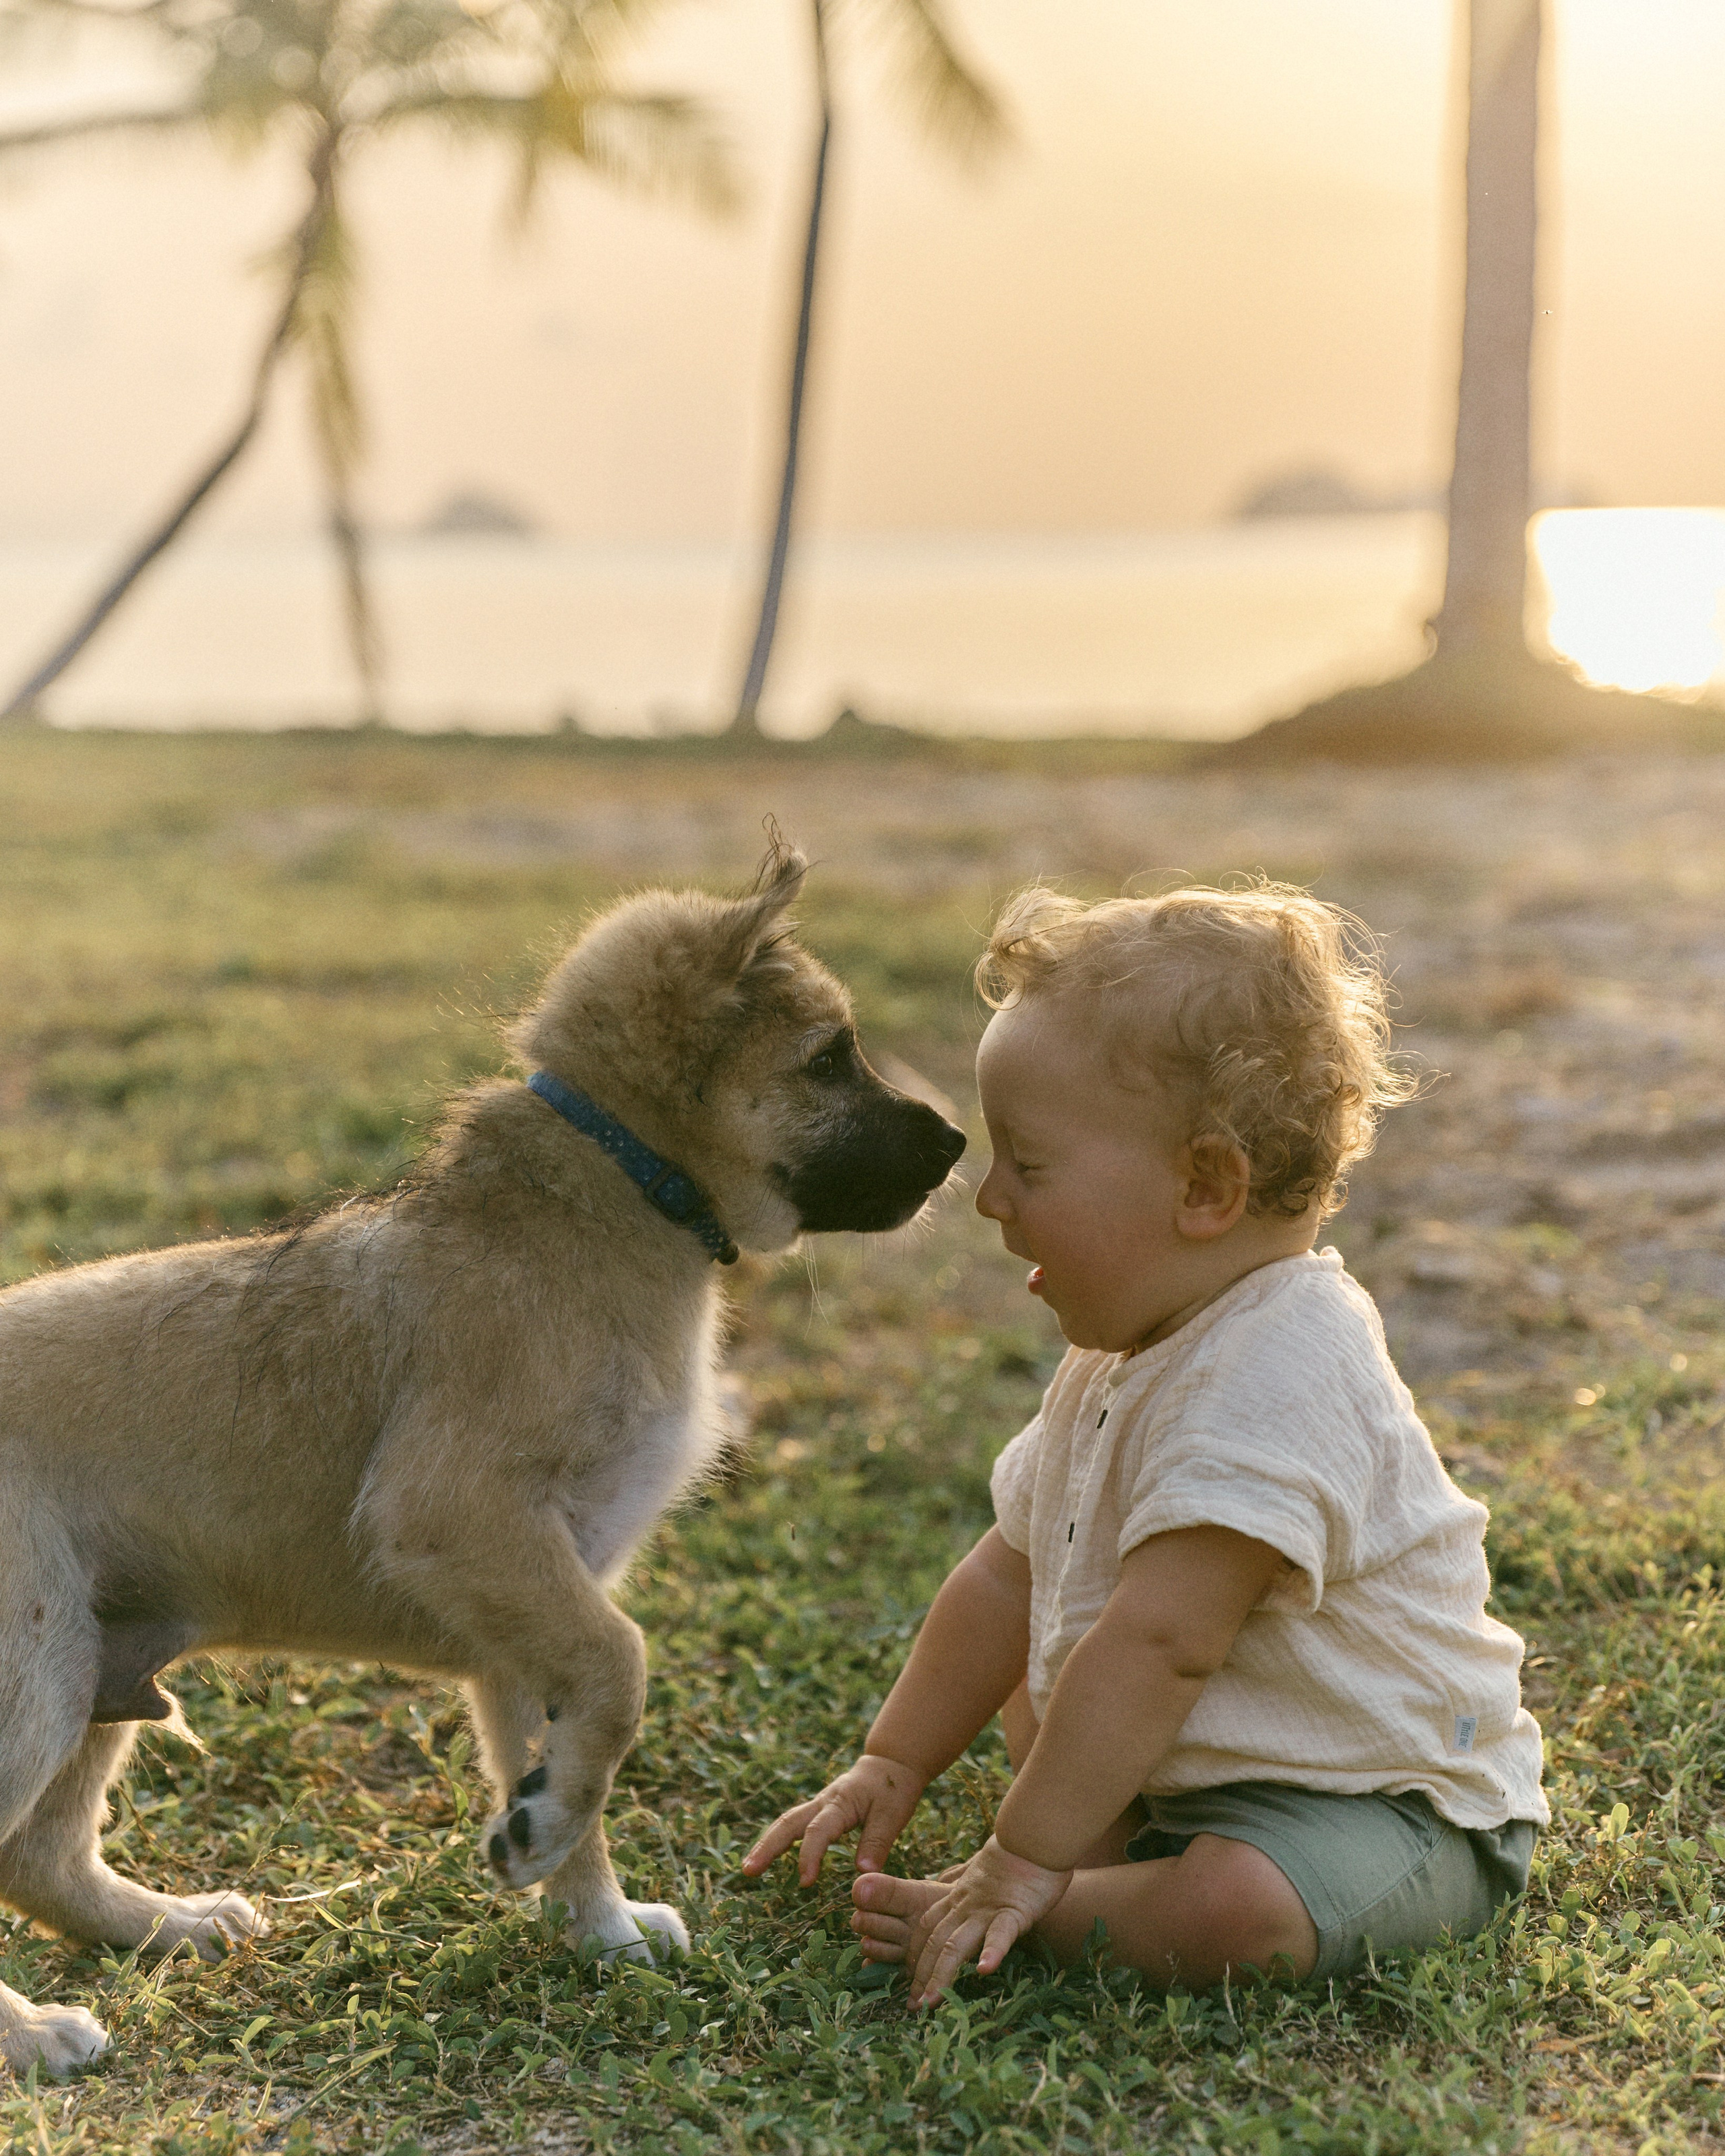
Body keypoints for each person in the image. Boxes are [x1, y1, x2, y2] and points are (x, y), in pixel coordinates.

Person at [743, 883, 1546, 2006]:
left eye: (1028, 1165)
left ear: (1205, 1188)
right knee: (1046, 1682)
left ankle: (1053, 1907)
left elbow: (1168, 1640)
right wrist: (896, 1756)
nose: (988, 1201)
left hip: (1375, 1801)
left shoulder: (1286, 1367)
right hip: (1196, 1771)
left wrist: (1020, 1860)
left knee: (1236, 1913)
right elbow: (1004, 1574)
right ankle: (1104, 1868)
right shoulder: (1128, 1350)